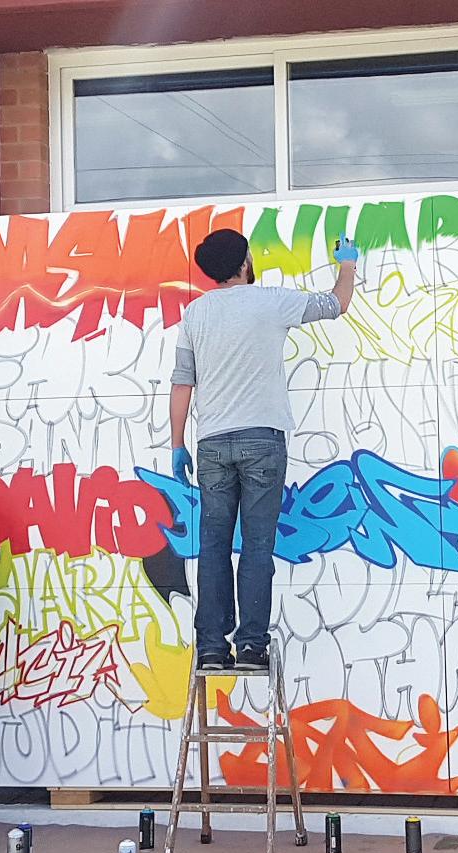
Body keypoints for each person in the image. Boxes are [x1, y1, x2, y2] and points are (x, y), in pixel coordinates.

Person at [170, 228, 357, 671]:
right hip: (263, 442)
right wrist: (347, 264)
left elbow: (182, 383)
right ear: (243, 263)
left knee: (213, 545)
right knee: (256, 546)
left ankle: (212, 646)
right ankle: (251, 646)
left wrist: (177, 444)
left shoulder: (195, 314)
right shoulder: (272, 301)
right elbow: (337, 304)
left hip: (213, 444)